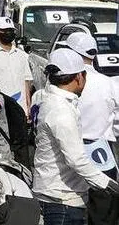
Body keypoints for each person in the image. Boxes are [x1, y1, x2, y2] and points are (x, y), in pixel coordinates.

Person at [32, 48, 119, 225]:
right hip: (62, 199)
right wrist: (109, 185)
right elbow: (76, 159)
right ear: (79, 77)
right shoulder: (61, 111)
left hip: (59, 195)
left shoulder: (47, 98)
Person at [61, 32, 119, 225]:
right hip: (102, 152)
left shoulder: (62, 81)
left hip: (69, 150)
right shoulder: (108, 83)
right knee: (104, 210)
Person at [0, 17, 33, 112]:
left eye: (10, 30)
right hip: (0, 108)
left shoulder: (22, 55)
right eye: (4, 30)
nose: (8, 33)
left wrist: (28, 107)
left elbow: (26, 82)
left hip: (20, 109)